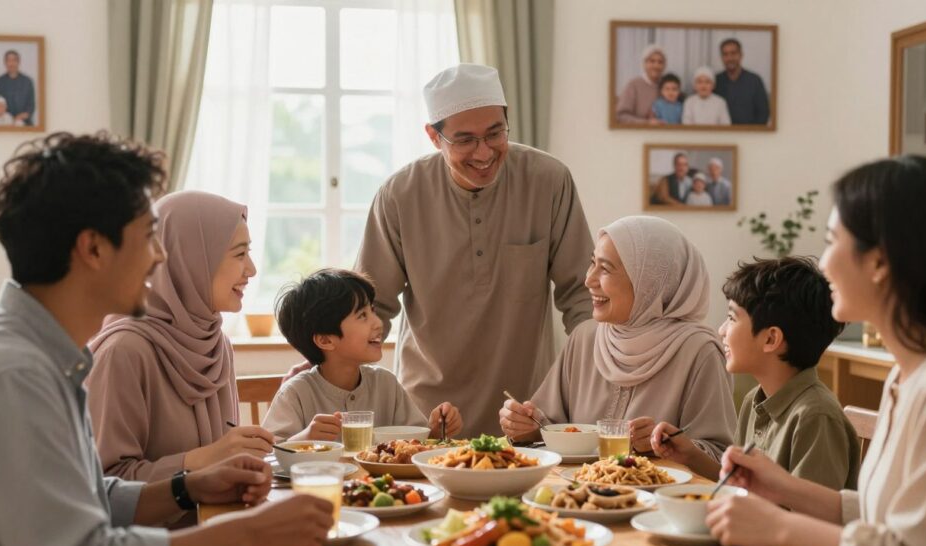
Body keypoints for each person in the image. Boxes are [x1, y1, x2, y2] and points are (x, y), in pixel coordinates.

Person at [0, 132, 336, 546]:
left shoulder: (45, 354)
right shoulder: (13, 374)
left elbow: (90, 495)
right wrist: (247, 534)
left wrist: (186, 487)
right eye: (148, 237)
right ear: (94, 248)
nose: (161, 256)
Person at [705, 156, 926, 546]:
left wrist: (781, 527)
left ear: (879, 262)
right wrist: (781, 486)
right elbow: (881, 518)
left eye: (832, 240)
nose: (823, 263)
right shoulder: (908, 375)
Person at [353, 64, 594, 437]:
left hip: (525, 414)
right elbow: (371, 306)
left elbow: (583, 294)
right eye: (465, 139)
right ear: (434, 137)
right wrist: (328, 369)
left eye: (495, 133)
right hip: (426, 417)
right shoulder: (400, 195)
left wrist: (600, 376)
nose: (484, 152)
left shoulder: (549, 180)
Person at [499, 216, 736, 459]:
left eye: (605, 269)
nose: (589, 280)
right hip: (575, 485)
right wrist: (527, 427)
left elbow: (720, 458)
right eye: (592, 263)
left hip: (659, 486)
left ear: (648, 282)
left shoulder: (699, 351)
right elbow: (550, 428)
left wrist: (665, 443)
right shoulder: (584, 338)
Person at [86, 190, 276, 483]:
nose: (251, 269)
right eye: (240, 254)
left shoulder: (217, 344)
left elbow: (225, 466)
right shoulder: (123, 352)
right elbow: (105, 485)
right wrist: (204, 459)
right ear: (191, 260)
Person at [652, 257, 860, 490]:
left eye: (732, 318)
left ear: (771, 339)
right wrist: (690, 455)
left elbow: (811, 510)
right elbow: (741, 487)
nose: (721, 330)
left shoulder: (816, 417)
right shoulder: (754, 400)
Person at [262, 269, 462, 441]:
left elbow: (416, 443)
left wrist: (437, 431)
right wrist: (304, 440)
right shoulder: (295, 393)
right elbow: (269, 455)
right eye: (362, 316)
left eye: (372, 311)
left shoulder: (386, 384)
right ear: (325, 340)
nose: (378, 323)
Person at [714, 38, 770, 125]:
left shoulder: (754, 81)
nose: (729, 58)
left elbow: (763, 113)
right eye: (725, 54)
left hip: (750, 132)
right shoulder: (715, 81)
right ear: (721, 57)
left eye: (733, 53)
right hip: (721, 132)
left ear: (741, 55)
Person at [616, 45, 667, 123]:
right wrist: (646, 123)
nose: (656, 66)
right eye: (652, 61)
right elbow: (621, 115)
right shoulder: (633, 85)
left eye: (660, 62)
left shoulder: (668, 86)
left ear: (664, 66)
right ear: (644, 64)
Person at [0, 50, 36, 125]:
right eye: (9, 60)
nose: (11, 63)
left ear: (19, 62)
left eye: (14, 60)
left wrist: (22, 116)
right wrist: (6, 117)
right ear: (5, 63)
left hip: (24, 123)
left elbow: (31, 105)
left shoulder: (27, 82)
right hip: (3, 123)